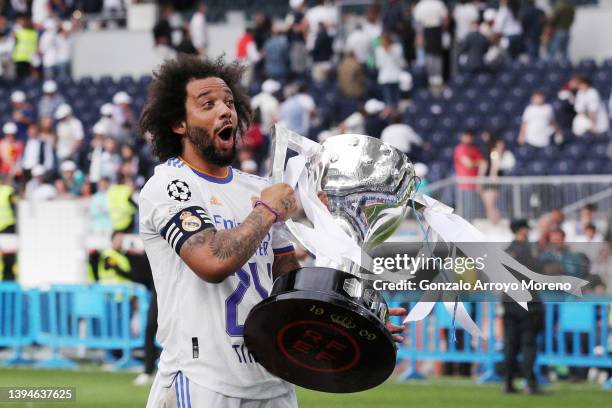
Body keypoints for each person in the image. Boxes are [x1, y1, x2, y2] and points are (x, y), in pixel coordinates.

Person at [138, 55, 406, 406]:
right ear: (178, 124)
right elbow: (211, 261)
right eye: (208, 104)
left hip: (273, 382)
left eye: (230, 102)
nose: (226, 111)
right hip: (204, 381)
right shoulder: (171, 186)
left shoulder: (258, 188)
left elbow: (286, 285)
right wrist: (269, 210)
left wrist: (354, 315)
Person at [503, 219, 543, 394]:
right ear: (523, 230)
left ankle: (508, 383)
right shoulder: (528, 251)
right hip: (528, 303)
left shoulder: (506, 252)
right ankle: (530, 383)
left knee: (511, 344)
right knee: (528, 344)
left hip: (509, 302)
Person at [453, 129, 483, 220]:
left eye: (470, 136)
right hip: (463, 186)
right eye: (466, 136)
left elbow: (482, 162)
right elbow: (468, 164)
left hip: (474, 185)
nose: (468, 138)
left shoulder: (475, 149)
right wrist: (477, 162)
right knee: (464, 212)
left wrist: (475, 162)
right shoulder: (460, 149)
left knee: (471, 212)